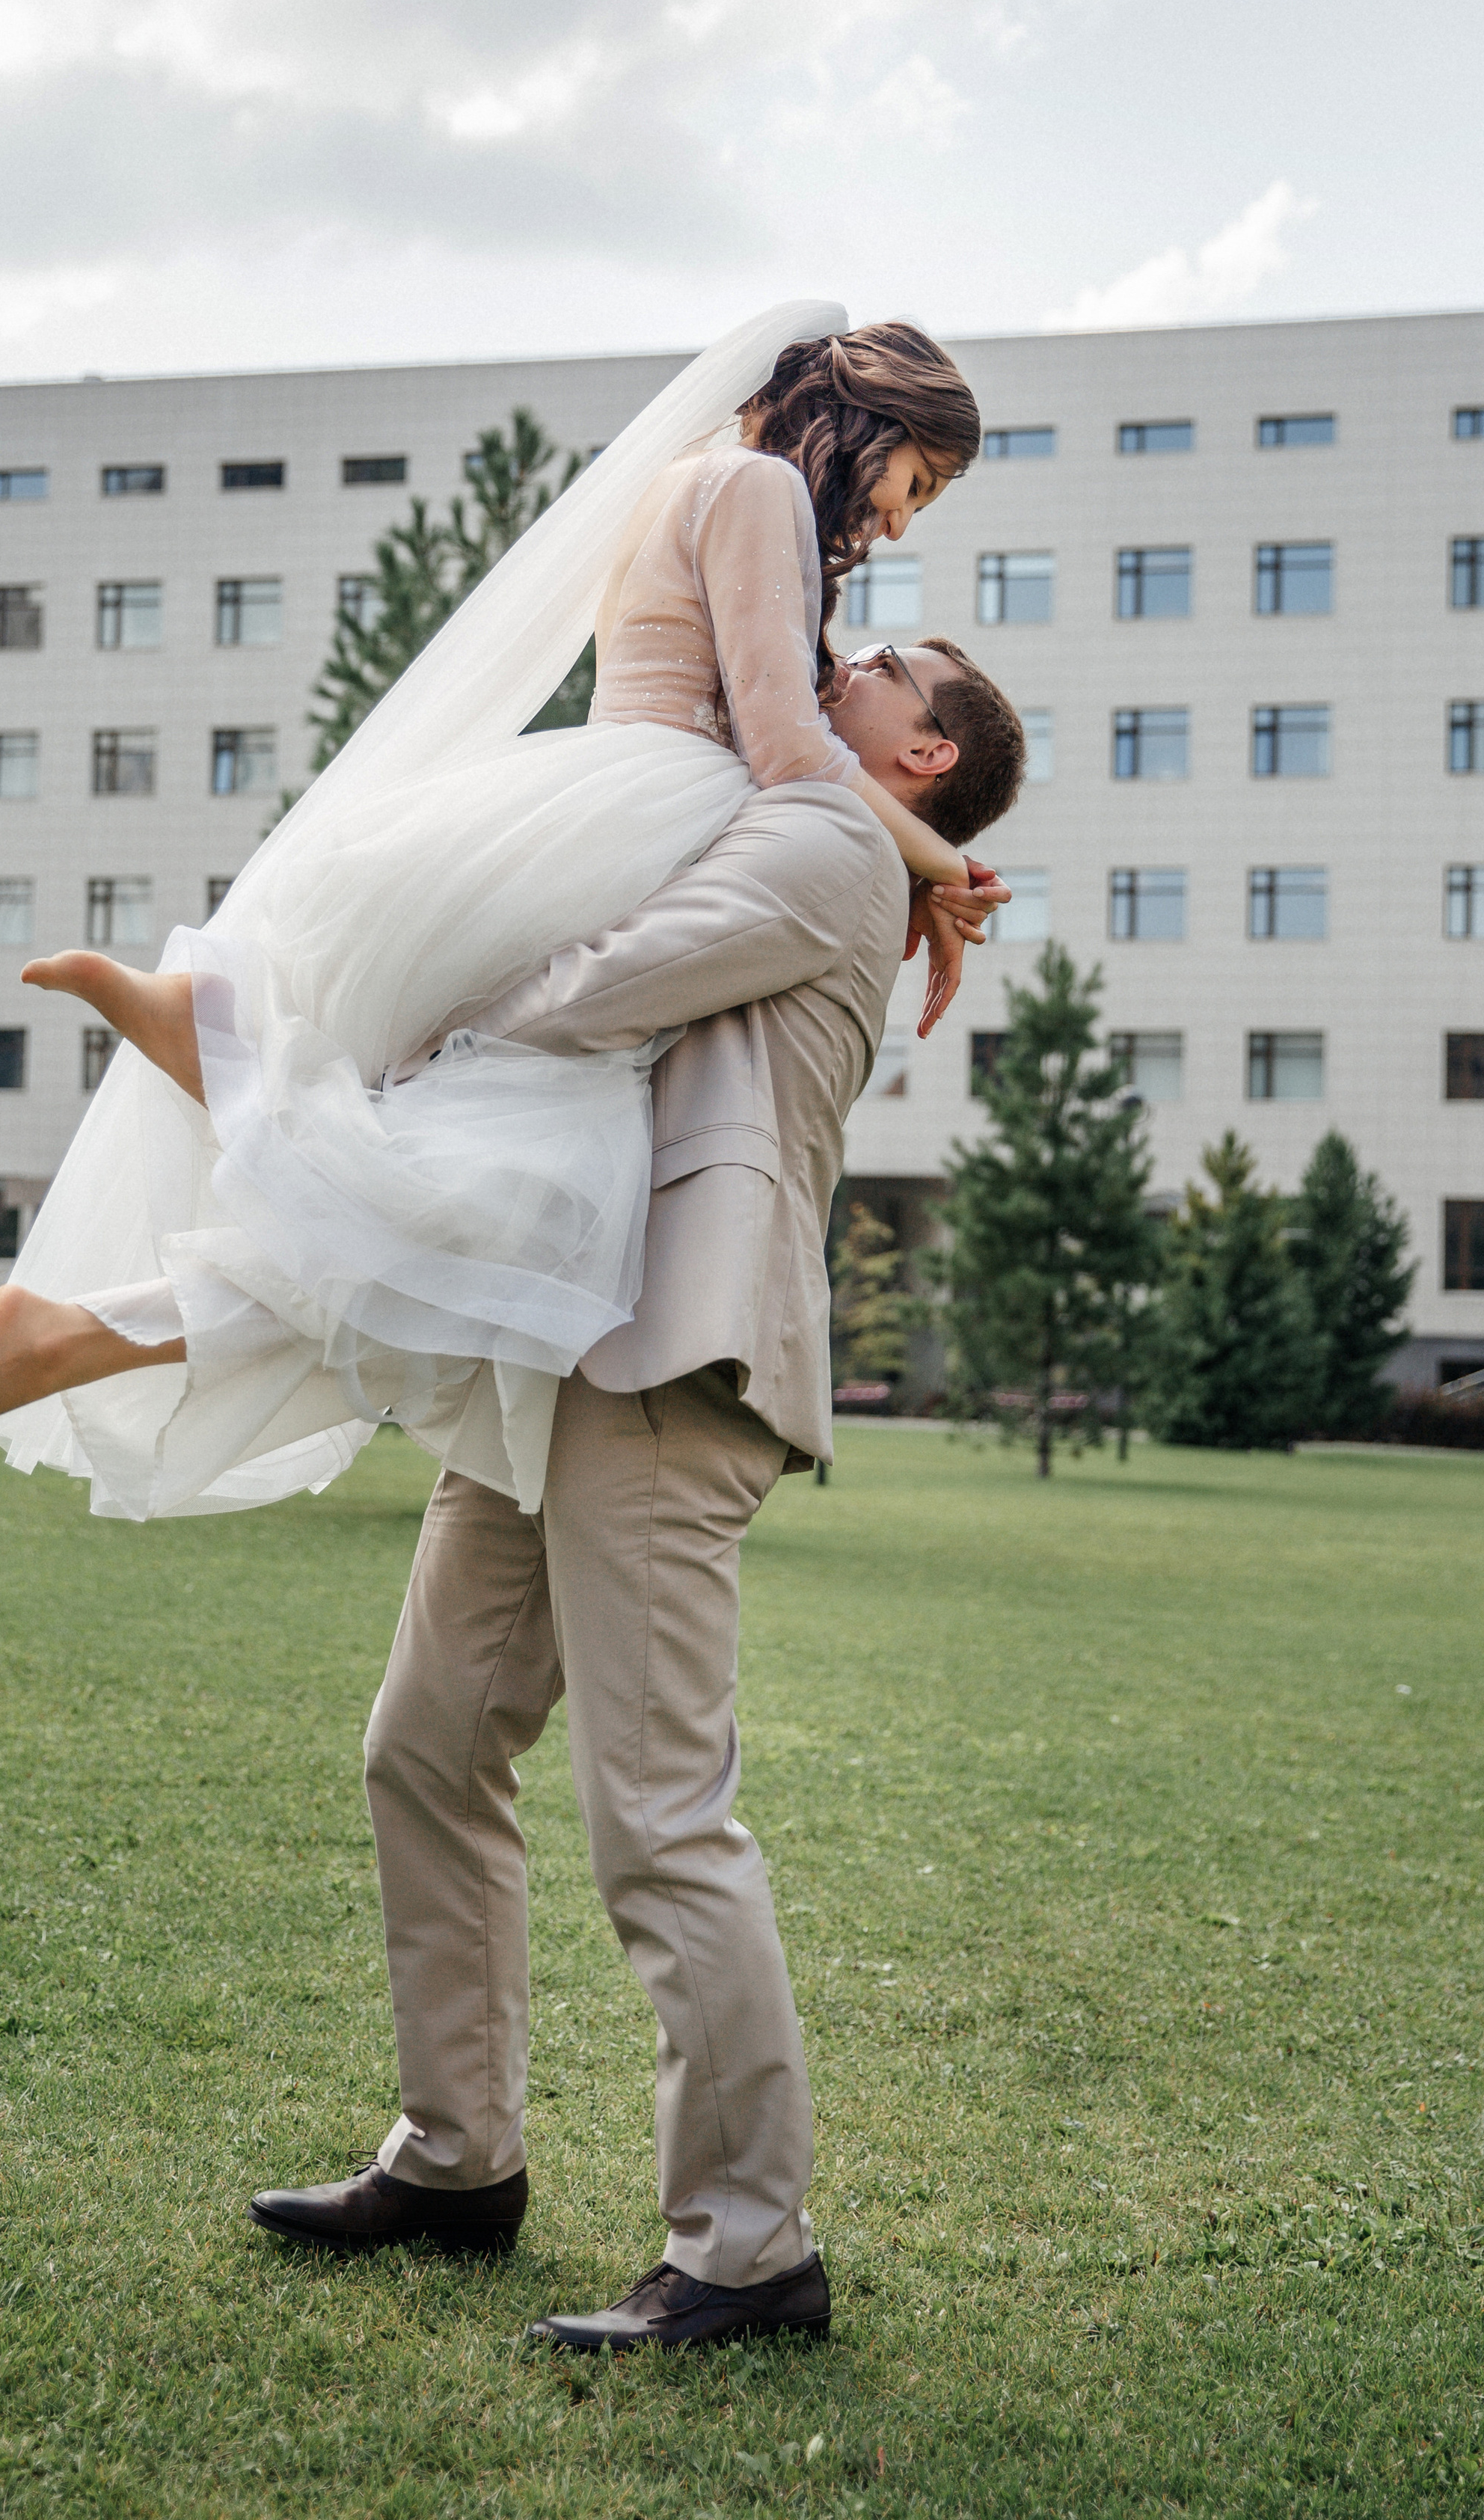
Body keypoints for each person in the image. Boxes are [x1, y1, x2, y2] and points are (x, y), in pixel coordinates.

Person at [0, 308, 1014, 1529]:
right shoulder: (761, 489)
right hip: (654, 812)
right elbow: (785, 746)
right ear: (874, 419)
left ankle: (167, 1152)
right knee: (513, 1211)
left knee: (485, 1205)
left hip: (614, 803)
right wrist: (945, 868)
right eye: (916, 483)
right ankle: (197, 1097)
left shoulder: (711, 478)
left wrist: (921, 868)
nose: (896, 521)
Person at [244, 635, 1023, 2349]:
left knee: (657, 1811)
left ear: (918, 761)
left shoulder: (823, 849)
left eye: (893, 670)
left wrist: (423, 1038)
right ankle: (456, 2161)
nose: (853, 656)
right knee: (426, 1742)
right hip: (557, 1338)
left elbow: (614, 976)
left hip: (669, 1361)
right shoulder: (820, 823)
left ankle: (749, 2254)